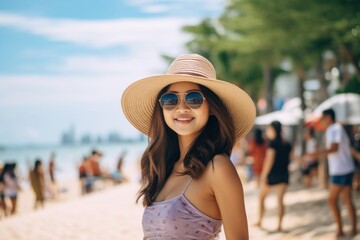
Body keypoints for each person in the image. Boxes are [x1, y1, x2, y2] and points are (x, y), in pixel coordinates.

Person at [121, 54, 255, 239]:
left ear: (213, 109)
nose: (181, 108)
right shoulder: (164, 169)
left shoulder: (218, 168)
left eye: (194, 99)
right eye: (170, 100)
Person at [312, 109, 356, 238]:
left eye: (322, 118)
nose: (321, 121)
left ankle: (340, 229)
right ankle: (352, 229)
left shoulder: (334, 128)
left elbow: (334, 148)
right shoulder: (337, 128)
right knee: (347, 200)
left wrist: (317, 153)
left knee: (332, 200)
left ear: (328, 117)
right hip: (346, 168)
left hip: (340, 170)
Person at [254, 121, 292, 232]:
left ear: (273, 130)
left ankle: (260, 221)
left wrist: (263, 176)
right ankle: (280, 225)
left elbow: (268, 161)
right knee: (280, 201)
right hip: (284, 175)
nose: (267, 131)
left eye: (269, 129)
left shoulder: (272, 144)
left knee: (261, 197)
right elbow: (293, 158)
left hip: (272, 175)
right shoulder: (286, 143)